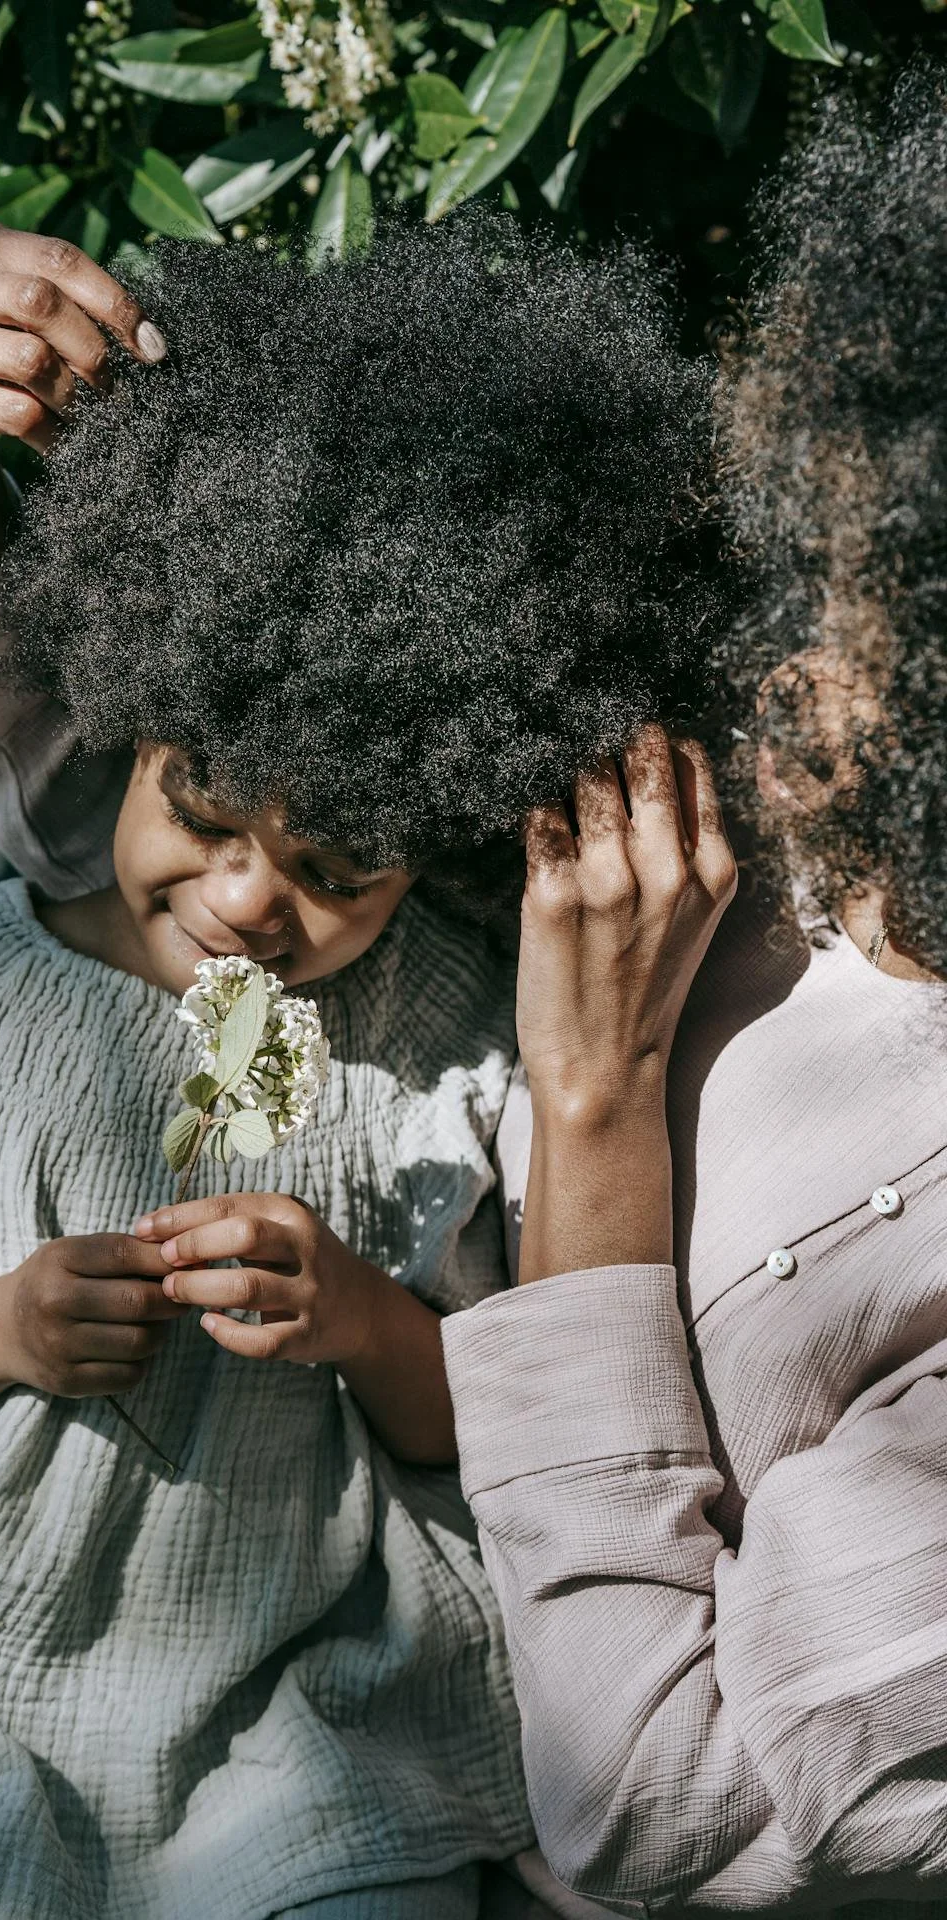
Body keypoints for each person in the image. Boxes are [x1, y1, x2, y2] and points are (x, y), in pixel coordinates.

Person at [0, 216, 735, 1920]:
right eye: (209, 819)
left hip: (309, 1721)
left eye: (340, 868)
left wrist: (369, 1323)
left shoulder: (455, 1050)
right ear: (122, 715)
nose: (252, 905)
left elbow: (502, 1413)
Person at [438, 60, 947, 1915]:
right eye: (810, 542)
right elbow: (201, 856)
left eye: (865, 600)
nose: (781, 648)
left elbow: (650, 1806)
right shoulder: (806, 828)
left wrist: (592, 1101)